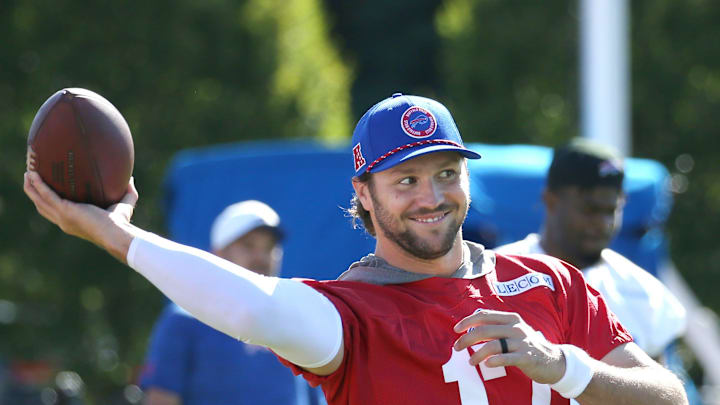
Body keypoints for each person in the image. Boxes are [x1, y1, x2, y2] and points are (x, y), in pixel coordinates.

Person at [24, 93, 688, 404]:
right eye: (405, 179)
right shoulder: (353, 316)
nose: (431, 195)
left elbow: (667, 396)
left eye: (446, 173)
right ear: (364, 195)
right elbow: (253, 308)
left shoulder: (548, 280)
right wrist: (120, 236)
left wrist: (563, 366)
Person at [495, 138, 687, 359]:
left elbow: (658, 388)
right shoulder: (497, 275)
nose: (603, 223)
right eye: (590, 209)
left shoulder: (644, 294)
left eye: (611, 210)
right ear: (551, 200)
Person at [140, 200, 318, 405]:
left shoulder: (295, 321)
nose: (261, 257)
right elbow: (161, 399)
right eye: (248, 245)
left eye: (269, 247)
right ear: (219, 254)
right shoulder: (183, 320)